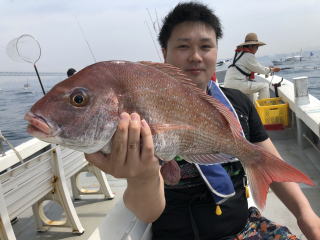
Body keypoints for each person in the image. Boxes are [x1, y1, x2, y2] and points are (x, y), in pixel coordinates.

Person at [85, 2, 320, 240]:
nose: (196, 56)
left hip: (243, 228)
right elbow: (147, 213)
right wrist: (141, 177)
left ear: (217, 52)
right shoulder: (143, 112)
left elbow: (269, 161)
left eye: (206, 46)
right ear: (164, 52)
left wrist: (305, 214)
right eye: (183, 46)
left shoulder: (238, 103)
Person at [224, 33, 281, 100]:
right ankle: (263, 108)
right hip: (237, 85)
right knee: (264, 86)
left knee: (252, 89)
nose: (257, 49)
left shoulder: (238, 54)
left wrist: (268, 69)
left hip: (228, 85)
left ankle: (253, 109)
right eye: (256, 47)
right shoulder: (248, 55)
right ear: (251, 46)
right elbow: (262, 70)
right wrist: (272, 70)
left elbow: (252, 67)